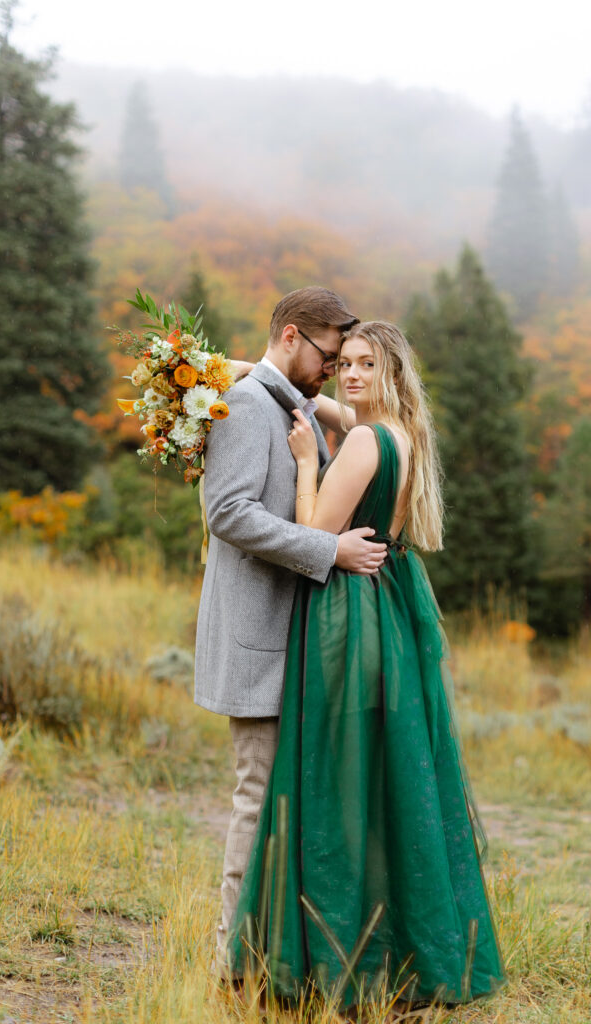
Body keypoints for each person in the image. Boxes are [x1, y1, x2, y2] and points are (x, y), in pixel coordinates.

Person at [225, 321, 506, 1009]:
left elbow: (314, 536)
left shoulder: (360, 444)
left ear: (392, 371)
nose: (349, 376)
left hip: (345, 619)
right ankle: (406, 952)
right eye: (342, 363)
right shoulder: (400, 432)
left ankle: (326, 958)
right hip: (387, 613)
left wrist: (303, 467)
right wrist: (244, 367)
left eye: (365, 364)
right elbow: (323, 405)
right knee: (385, 782)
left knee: (333, 777)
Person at [194, 287, 388, 972]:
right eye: (329, 357)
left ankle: (275, 959)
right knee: (255, 804)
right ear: (290, 336)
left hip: (294, 647)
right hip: (257, 645)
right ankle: (231, 968)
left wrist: (244, 368)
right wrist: (326, 551)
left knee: (284, 806)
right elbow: (228, 513)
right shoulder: (248, 407)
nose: (333, 370)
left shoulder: (286, 400)